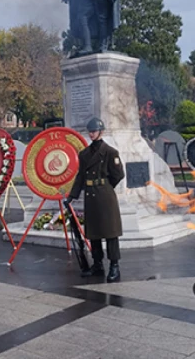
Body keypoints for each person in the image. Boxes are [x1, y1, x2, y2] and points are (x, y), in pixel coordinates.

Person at [65, 117, 125, 282]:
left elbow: (119, 174)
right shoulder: (84, 154)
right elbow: (80, 177)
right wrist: (71, 196)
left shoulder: (110, 152)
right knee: (94, 233)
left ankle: (114, 266)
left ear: (101, 132)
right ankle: (97, 264)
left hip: (105, 195)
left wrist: (104, 186)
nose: (91, 134)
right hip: (90, 195)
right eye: (90, 131)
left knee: (110, 233)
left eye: (94, 131)